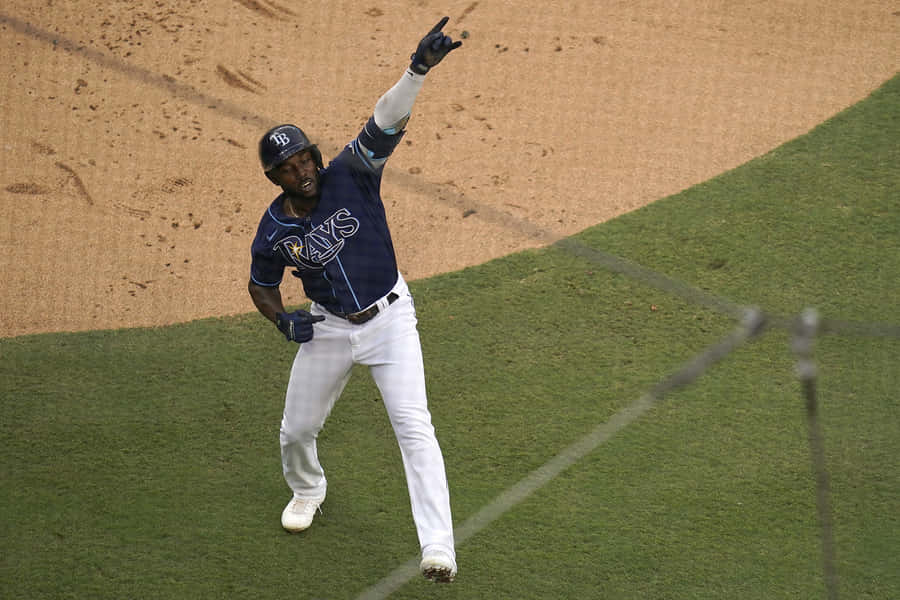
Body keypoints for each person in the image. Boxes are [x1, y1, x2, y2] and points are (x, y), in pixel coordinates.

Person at [247, 17, 463, 583]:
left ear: (316, 157)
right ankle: (307, 490)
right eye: (289, 169)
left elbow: (383, 121)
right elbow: (261, 283)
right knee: (296, 429)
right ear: (277, 178)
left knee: (414, 426)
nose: (303, 172)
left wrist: (416, 71)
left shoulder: (351, 174)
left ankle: (438, 547)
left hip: (391, 320)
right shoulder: (273, 228)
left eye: (305, 160)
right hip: (328, 330)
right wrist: (279, 319)